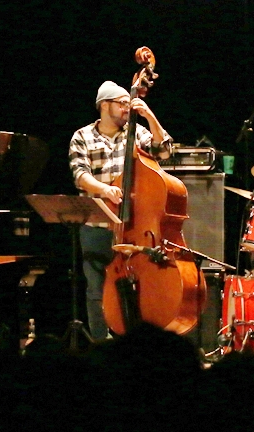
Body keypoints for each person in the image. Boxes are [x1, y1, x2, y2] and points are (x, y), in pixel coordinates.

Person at [68, 81, 173, 339]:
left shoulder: (136, 132)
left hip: (133, 226)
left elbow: (164, 151)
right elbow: (80, 174)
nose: (128, 108)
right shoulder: (82, 136)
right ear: (105, 105)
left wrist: (149, 116)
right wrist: (104, 190)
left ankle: (134, 341)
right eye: (122, 103)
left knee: (139, 287)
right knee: (96, 289)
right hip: (97, 226)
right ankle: (100, 343)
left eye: (129, 103)